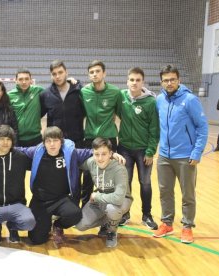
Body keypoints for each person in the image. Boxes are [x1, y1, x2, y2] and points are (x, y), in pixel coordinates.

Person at [153, 65, 208, 244]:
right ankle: (167, 223)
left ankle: (187, 226)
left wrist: (197, 151)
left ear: (179, 80)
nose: (169, 83)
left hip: (185, 156)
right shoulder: (159, 99)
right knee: (165, 191)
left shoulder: (190, 100)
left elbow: (202, 126)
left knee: (188, 194)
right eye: (166, 80)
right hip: (164, 156)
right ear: (161, 82)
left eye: (172, 79)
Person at [16, 126, 93, 245]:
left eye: (55, 140)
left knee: (75, 214)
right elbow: (18, 150)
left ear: (61, 142)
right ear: (44, 143)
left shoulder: (70, 152)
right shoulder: (37, 151)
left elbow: (92, 152)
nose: (52, 144)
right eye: (48, 141)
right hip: (40, 201)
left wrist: (112, 154)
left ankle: (57, 225)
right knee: (37, 239)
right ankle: (46, 223)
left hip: (61, 199)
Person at [116, 67, 159, 229]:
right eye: (131, 80)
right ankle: (125, 213)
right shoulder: (121, 97)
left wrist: (150, 151)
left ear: (143, 82)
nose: (134, 83)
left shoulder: (150, 102)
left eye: (137, 80)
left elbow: (155, 129)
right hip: (124, 148)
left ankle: (146, 215)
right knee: (125, 183)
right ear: (127, 81)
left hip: (143, 151)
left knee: (145, 182)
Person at [0, 125, 35, 244]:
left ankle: (13, 226)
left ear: (13, 141)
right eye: (2, 139)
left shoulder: (20, 157)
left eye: (8, 139)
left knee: (29, 222)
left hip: (16, 204)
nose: (5, 142)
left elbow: (40, 152)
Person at [76, 137, 132, 248]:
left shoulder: (119, 169)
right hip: (100, 199)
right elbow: (75, 163)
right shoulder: (91, 162)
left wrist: (97, 196)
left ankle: (111, 231)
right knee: (80, 226)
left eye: (104, 154)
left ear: (111, 153)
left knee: (112, 209)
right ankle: (107, 222)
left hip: (121, 200)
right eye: (97, 154)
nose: (100, 158)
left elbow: (118, 198)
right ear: (93, 153)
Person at [80, 60, 122, 207]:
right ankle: (85, 205)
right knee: (88, 174)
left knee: (109, 174)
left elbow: (121, 113)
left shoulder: (115, 92)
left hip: (109, 137)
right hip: (90, 138)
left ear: (104, 73)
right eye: (91, 72)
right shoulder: (84, 92)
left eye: (97, 71)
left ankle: (109, 206)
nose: (94, 74)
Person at [40, 60, 85, 148]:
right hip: (55, 142)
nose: (57, 76)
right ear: (51, 76)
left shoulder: (78, 91)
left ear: (66, 73)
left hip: (77, 141)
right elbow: (39, 115)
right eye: (54, 74)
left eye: (60, 72)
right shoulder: (45, 94)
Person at [8, 68, 45, 146]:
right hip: (17, 139)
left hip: (36, 138)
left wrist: (68, 81)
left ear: (31, 80)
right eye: (20, 79)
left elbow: (54, 91)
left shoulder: (38, 90)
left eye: (26, 79)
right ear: (16, 80)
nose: (24, 82)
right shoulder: (9, 95)